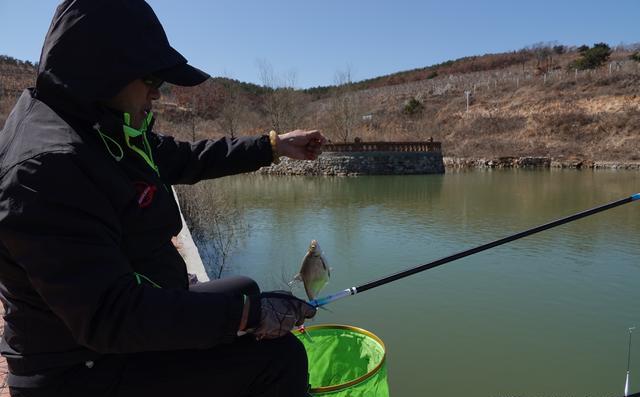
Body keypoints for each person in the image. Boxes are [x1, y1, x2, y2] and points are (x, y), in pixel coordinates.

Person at [0, 0, 325, 396]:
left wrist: (273, 146)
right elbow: (112, 316)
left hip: (113, 332)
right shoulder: (47, 168)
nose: (158, 92)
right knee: (281, 358)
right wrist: (249, 316)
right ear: (105, 71)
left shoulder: (97, 125)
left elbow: (184, 158)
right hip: (79, 371)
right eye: (151, 79)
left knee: (245, 288)